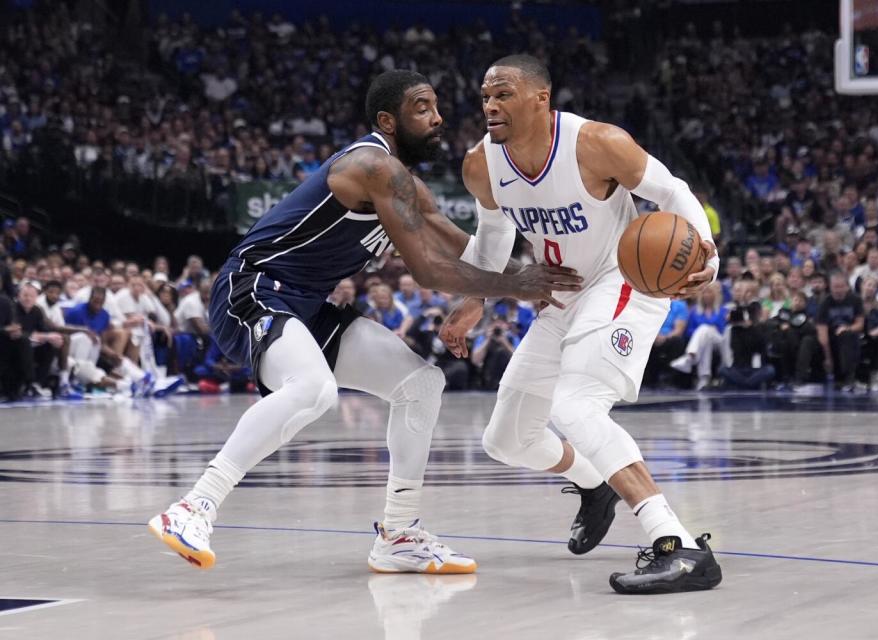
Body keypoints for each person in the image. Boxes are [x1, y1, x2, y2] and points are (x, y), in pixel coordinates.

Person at [148, 70, 581, 574]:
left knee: (421, 384)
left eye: (437, 106)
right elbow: (426, 269)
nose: (438, 117)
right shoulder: (374, 165)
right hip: (253, 289)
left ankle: (398, 534)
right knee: (313, 390)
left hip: (306, 306)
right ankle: (195, 506)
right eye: (422, 108)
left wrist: (553, 277)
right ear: (387, 120)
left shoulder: (408, 185)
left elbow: (464, 249)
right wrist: (519, 286)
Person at [440, 55, 721, 593]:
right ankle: (596, 485)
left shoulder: (595, 142)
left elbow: (671, 191)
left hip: (624, 277)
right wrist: (477, 298)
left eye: (503, 94)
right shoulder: (481, 164)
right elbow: (495, 235)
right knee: (507, 439)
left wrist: (707, 253)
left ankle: (677, 544)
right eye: (485, 97)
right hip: (561, 293)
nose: (491, 105)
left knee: (575, 405)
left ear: (541, 98)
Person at [815, 272, 864, 391]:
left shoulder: (855, 299)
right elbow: (822, 332)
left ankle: (849, 379)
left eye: (841, 286)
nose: (838, 290)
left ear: (847, 286)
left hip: (850, 334)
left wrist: (847, 328)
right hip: (831, 336)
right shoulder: (824, 303)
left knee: (848, 336)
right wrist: (828, 357)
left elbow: (860, 324)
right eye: (835, 287)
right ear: (830, 287)